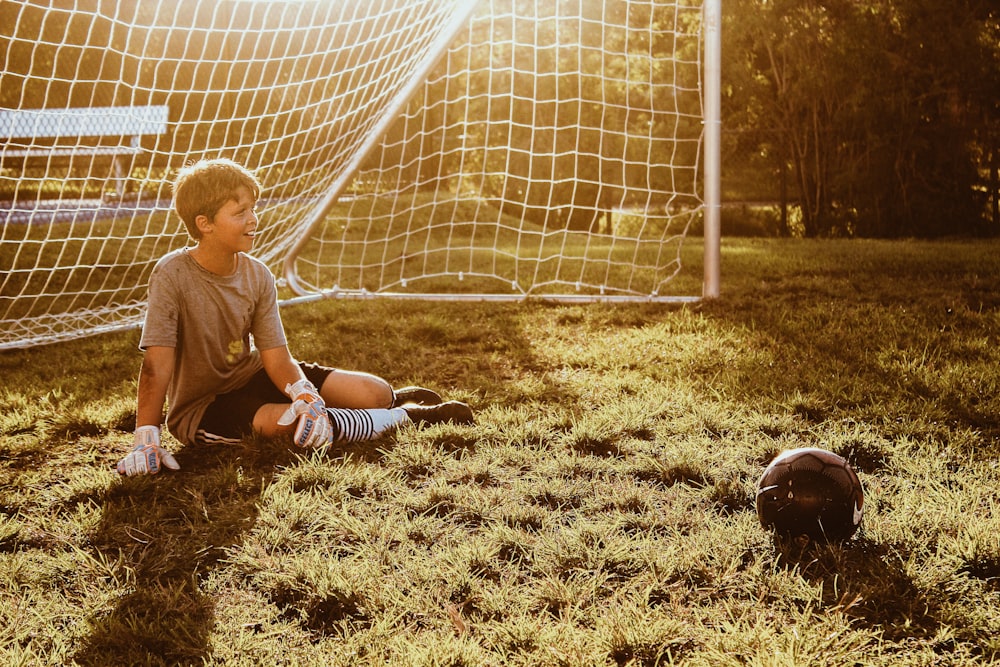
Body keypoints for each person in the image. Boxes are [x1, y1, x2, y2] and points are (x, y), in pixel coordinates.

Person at [116, 158, 473, 476]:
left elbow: (276, 356)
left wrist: (303, 393)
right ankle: (408, 417)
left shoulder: (257, 274)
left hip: (251, 375)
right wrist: (146, 435)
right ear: (204, 223)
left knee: (374, 392)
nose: (253, 219)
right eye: (239, 213)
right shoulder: (171, 275)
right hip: (204, 407)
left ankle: (385, 404)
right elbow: (156, 365)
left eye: (253, 208)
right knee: (298, 428)